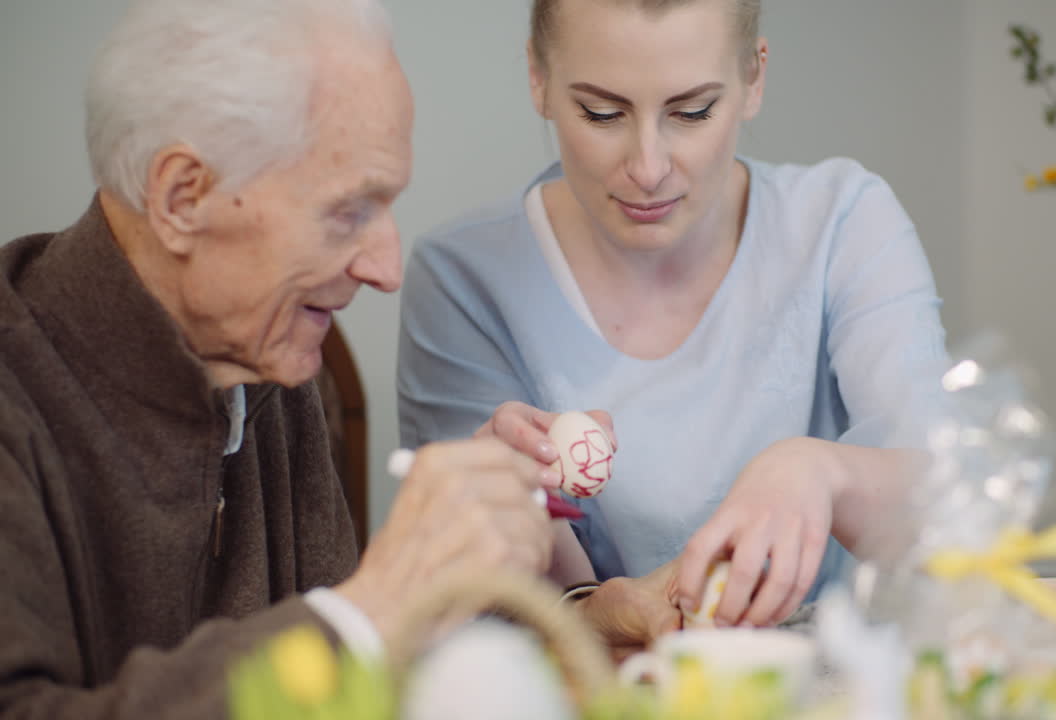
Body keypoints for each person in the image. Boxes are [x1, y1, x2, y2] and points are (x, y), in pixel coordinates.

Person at [0, 1, 557, 717]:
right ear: (182, 198)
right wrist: (375, 606)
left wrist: (458, 566)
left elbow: (344, 687)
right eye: (349, 211)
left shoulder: (272, 363)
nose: (388, 269)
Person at [397, 0, 949, 648]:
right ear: (538, 78)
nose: (648, 168)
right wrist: (568, 579)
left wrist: (822, 472)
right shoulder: (464, 278)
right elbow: (504, 617)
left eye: (692, 112)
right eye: (601, 113)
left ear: (754, 77)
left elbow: (947, 506)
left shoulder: (842, 223)